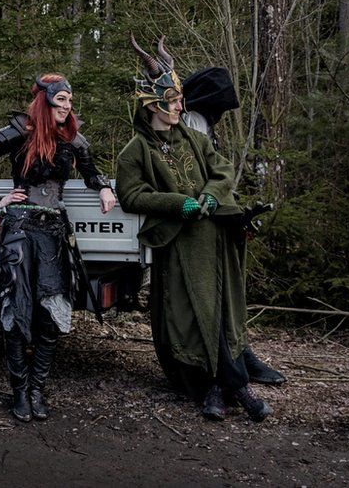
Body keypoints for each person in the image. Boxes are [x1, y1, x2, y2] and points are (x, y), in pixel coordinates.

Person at [115, 35, 272, 422]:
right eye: (171, 102)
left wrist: (212, 197)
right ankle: (213, 388)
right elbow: (131, 194)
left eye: (179, 100)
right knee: (193, 316)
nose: (179, 107)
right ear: (152, 105)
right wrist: (175, 203)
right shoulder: (135, 151)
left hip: (214, 240)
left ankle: (233, 384)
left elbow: (222, 172)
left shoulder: (195, 138)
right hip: (180, 246)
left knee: (223, 313)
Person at [0, 74, 116, 423]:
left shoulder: (73, 138)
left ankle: (36, 390)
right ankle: (18, 391)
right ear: (45, 101)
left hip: (53, 234)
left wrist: (104, 188)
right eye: (61, 100)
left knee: (50, 317)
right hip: (18, 232)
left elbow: (92, 172)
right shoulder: (19, 131)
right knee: (16, 316)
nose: (67, 107)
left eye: (70, 102)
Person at [181, 66, 286, 387]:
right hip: (200, 227)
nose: (224, 115)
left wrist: (236, 211)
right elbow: (197, 180)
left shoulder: (203, 124)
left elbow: (218, 176)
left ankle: (241, 355)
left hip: (217, 221)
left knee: (230, 293)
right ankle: (229, 365)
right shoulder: (192, 123)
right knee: (214, 298)